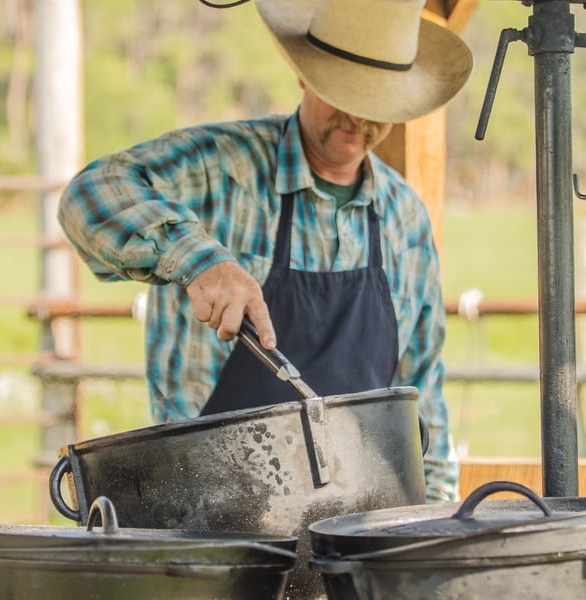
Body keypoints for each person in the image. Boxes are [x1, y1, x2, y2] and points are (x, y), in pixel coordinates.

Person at [58, 0, 472, 502]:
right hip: (211, 509)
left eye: (375, 102)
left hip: (358, 521)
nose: (357, 116)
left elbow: (420, 391)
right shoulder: (221, 167)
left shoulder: (405, 217)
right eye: (343, 93)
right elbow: (89, 195)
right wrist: (199, 259)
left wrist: (437, 515)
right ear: (304, 75)